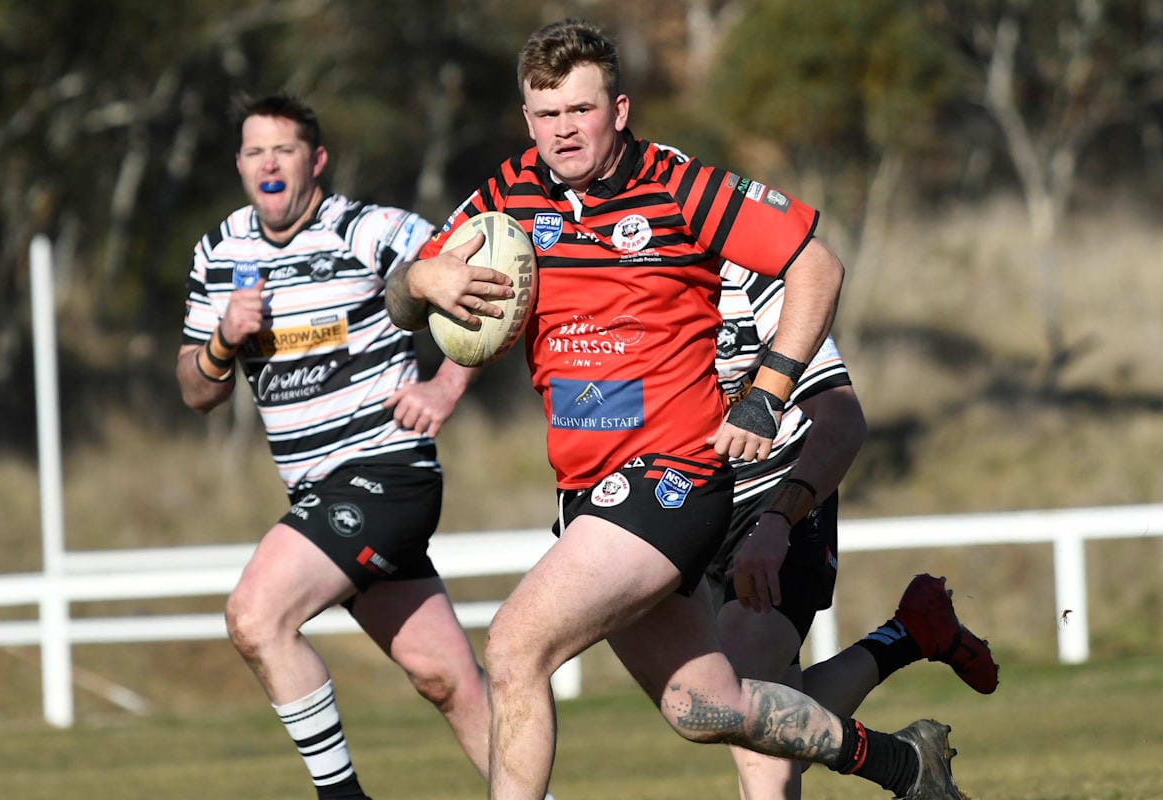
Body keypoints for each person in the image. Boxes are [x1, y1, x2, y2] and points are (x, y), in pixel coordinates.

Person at [386, 18, 965, 800]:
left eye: (581, 110)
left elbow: (817, 268)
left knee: (516, 644)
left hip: (671, 478)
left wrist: (766, 395)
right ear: (527, 119)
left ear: (618, 110)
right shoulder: (508, 195)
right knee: (705, 706)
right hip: (586, 491)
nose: (564, 130)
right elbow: (401, 297)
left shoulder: (678, 185)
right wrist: (422, 283)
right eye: (548, 114)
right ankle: (904, 763)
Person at [176, 94, 491, 800]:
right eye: (255, 152)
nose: (269, 164)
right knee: (447, 680)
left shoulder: (369, 229)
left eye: (283, 150)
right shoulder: (219, 251)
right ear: (239, 165)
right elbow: (197, 392)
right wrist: (223, 341)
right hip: (319, 496)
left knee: (257, 616)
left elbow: (486, 283)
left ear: (315, 160)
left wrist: (446, 385)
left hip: (386, 473)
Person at [709, 261, 1000, 799]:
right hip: (689, 508)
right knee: (738, 710)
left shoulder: (752, 274)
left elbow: (843, 420)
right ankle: (908, 640)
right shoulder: (616, 277)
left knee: (743, 684)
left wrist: (778, 520)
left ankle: (904, 746)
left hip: (778, 491)